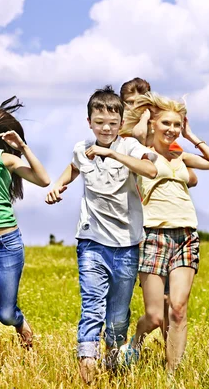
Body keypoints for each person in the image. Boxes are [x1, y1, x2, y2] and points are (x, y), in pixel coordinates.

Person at [45, 86, 158, 384]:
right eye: (99, 123)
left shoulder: (130, 147)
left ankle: (112, 363)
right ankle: (88, 373)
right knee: (92, 306)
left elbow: (150, 169)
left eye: (111, 123)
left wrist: (112, 153)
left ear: (120, 123)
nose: (105, 128)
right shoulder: (81, 148)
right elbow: (74, 166)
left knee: (118, 317)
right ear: (89, 122)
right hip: (91, 241)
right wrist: (59, 184)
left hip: (126, 245)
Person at [120, 92, 209, 373]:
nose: (172, 130)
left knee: (177, 309)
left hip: (186, 234)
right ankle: (135, 343)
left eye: (176, 124)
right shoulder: (142, 151)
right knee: (155, 316)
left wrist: (191, 136)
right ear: (153, 123)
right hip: (154, 234)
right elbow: (131, 136)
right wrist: (143, 120)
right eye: (166, 123)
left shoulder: (179, 154)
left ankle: (171, 374)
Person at [0, 97, 50, 348]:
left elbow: (43, 180)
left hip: (6, 244)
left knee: (5, 314)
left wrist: (23, 147)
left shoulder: (5, 160)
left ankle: (20, 324)